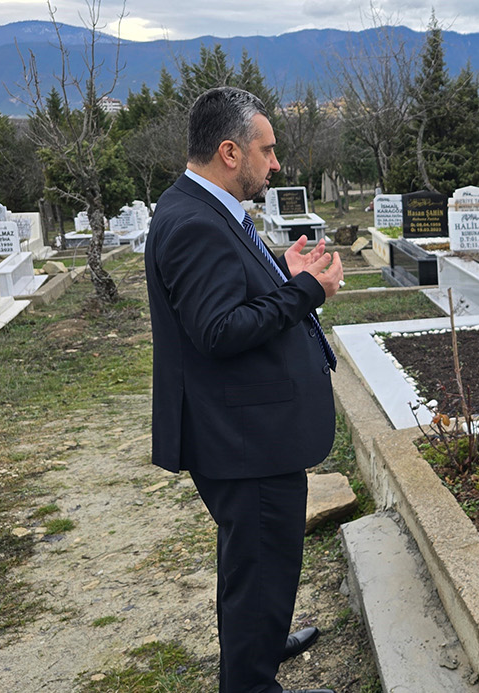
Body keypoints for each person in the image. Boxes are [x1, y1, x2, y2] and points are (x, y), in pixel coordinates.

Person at [145, 86, 343, 693]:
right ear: (230, 152)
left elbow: (228, 298)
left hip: (248, 431)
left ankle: (258, 639)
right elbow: (219, 330)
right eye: (267, 150)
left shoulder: (205, 210)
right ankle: (251, 678)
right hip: (243, 437)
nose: (276, 163)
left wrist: (279, 273)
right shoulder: (192, 224)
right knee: (258, 566)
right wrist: (307, 290)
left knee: (256, 564)